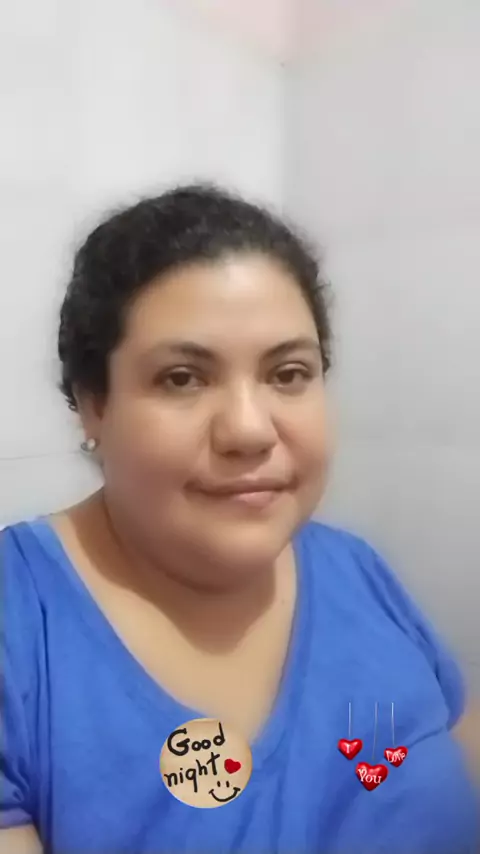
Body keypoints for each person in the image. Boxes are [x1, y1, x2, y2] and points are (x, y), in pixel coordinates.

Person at [1, 184, 478, 854]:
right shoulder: (21, 625)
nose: (250, 430)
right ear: (93, 404)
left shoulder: (357, 568)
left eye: (288, 373)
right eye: (182, 378)